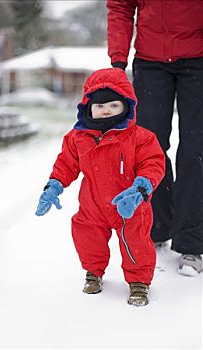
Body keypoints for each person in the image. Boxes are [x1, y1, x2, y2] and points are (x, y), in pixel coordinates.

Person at [35, 68, 165, 306]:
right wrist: (53, 186)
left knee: (136, 242)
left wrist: (140, 189)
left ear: (127, 106)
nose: (106, 110)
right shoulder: (77, 138)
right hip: (93, 204)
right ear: (88, 108)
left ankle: (139, 282)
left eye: (114, 105)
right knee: (87, 237)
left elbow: (153, 164)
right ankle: (93, 272)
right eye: (100, 106)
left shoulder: (140, 137)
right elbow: (66, 163)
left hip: (130, 203)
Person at [107, 0, 203, 276]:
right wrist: (117, 60)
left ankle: (191, 242)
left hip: (197, 61)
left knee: (195, 151)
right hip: (150, 64)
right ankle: (157, 227)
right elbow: (121, 7)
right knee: (150, 148)